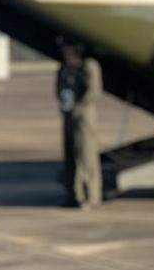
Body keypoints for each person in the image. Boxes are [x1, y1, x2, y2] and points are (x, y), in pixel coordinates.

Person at [55, 43, 103, 208]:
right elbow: (59, 88)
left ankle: (92, 196)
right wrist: (64, 106)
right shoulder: (63, 68)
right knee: (70, 155)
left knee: (87, 155)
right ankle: (73, 196)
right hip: (68, 114)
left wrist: (80, 107)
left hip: (85, 116)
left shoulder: (89, 66)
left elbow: (94, 91)